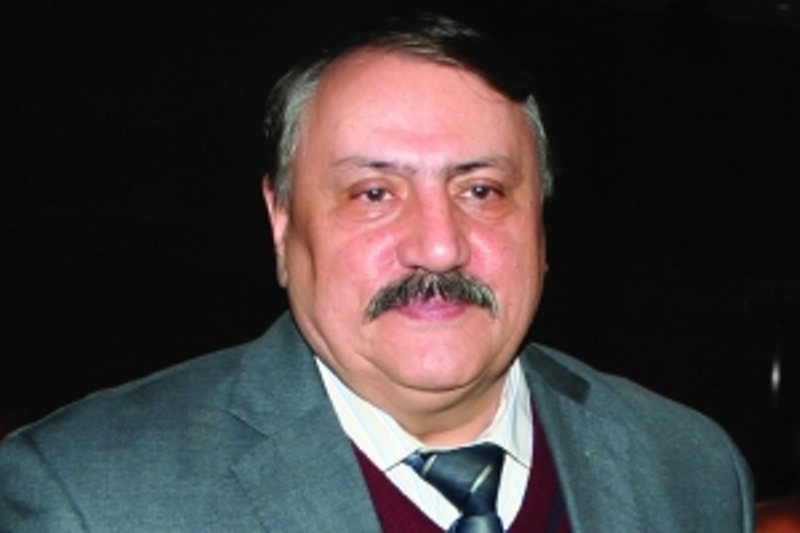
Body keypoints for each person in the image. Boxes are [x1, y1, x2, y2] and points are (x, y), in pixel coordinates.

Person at [0, 11, 753, 532]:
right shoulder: (86, 497)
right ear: (282, 222)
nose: (438, 246)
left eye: (481, 190)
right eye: (374, 193)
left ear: (542, 223)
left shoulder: (690, 466)